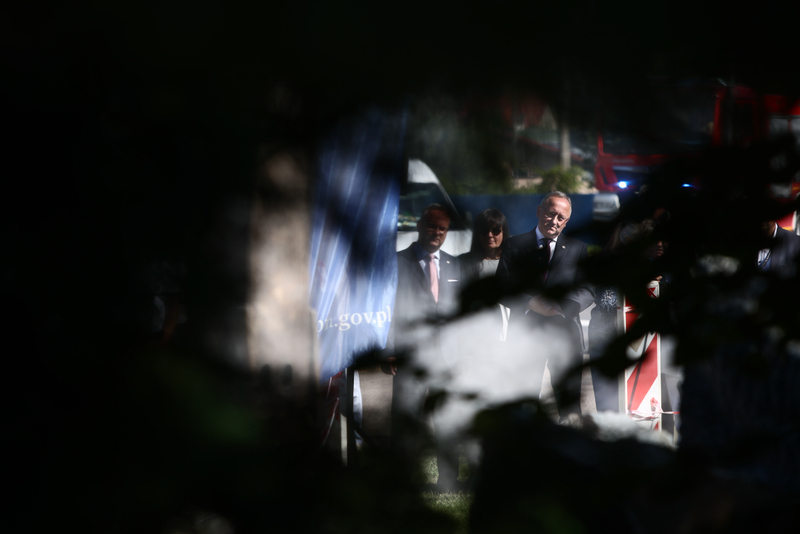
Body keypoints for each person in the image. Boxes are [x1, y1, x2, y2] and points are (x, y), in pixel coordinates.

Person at [383, 203, 463, 490]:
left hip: (449, 356)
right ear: (419, 226)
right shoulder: (395, 262)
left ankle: (449, 479)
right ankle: (401, 482)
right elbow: (386, 309)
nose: (437, 233)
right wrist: (388, 350)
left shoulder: (455, 264)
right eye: (432, 226)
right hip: (409, 354)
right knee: (406, 418)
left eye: (442, 229)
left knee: (448, 419)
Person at [495, 191, 594, 419]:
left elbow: (588, 289)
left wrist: (565, 307)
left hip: (565, 336)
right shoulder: (514, 245)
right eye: (551, 214)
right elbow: (502, 285)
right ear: (539, 212)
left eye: (561, 218)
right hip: (524, 335)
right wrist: (530, 301)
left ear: (567, 222)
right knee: (522, 402)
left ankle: (568, 450)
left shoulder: (578, 249)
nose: (555, 221)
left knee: (569, 407)